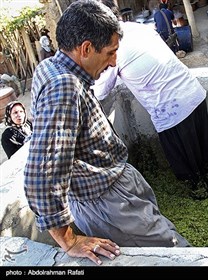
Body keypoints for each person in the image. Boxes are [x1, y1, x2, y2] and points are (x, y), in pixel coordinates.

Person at [24, 0, 190, 266]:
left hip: (110, 191)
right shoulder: (64, 87)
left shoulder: (51, 67)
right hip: (110, 204)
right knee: (176, 254)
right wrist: (69, 240)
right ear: (86, 48)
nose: (114, 63)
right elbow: (41, 175)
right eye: (110, 53)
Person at [93, 0, 208, 199]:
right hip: (193, 92)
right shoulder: (138, 28)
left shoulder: (111, 47)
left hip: (172, 111)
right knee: (206, 156)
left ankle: (202, 196)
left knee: (188, 167)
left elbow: (99, 91)